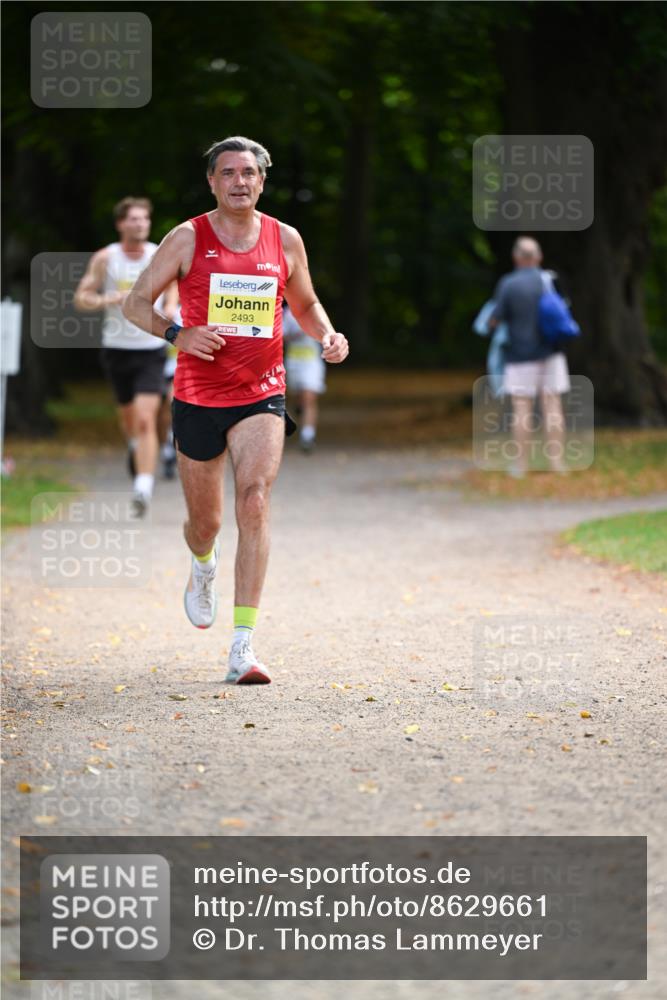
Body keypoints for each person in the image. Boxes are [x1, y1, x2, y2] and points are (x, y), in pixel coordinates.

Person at [123, 136, 349, 684]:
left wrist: (327, 333)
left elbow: (305, 301)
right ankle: (203, 564)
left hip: (262, 392)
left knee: (254, 500)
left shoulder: (284, 238)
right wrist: (180, 334)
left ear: (262, 180)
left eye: (248, 172)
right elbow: (134, 305)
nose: (239, 181)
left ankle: (243, 646)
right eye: (228, 173)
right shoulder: (187, 237)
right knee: (206, 524)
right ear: (212, 182)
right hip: (199, 395)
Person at [74, 197, 178, 514]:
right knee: (130, 419)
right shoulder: (106, 258)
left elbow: (173, 284)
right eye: (133, 219)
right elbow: (82, 298)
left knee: (147, 419)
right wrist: (110, 299)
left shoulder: (157, 253)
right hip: (116, 350)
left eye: (144, 219)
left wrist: (171, 307)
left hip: (150, 349)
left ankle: (142, 487)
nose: (140, 224)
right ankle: (136, 447)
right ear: (121, 223)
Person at [490, 237, 571, 476]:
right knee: (552, 405)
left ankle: (520, 466)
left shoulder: (508, 284)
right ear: (538, 257)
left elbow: (494, 320)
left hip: (519, 355)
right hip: (551, 352)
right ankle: (557, 464)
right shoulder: (550, 281)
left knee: (522, 408)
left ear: (516, 258)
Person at [283, 300, 326, 451]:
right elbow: (282, 337)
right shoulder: (287, 314)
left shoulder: (316, 311)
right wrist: (299, 332)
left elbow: (325, 332)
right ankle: (298, 406)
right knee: (298, 396)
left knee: (309, 397)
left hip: (312, 361)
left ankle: (307, 436)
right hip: (294, 361)